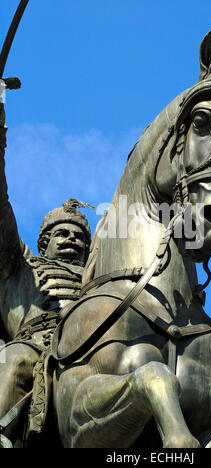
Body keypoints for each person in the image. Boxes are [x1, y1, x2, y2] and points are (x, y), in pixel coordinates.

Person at [0, 102, 92, 448]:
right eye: (63, 234)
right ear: (43, 243)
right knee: (13, 360)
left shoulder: (99, 279)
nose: (72, 240)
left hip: (88, 351)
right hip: (34, 346)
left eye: (80, 237)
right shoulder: (20, 266)